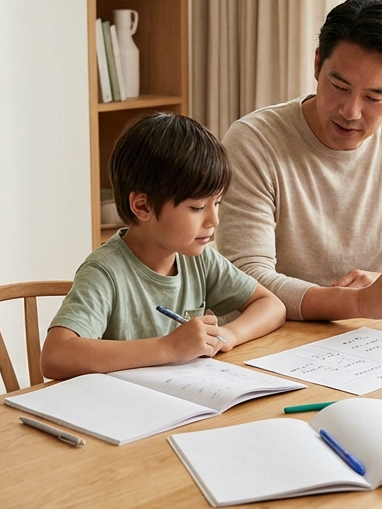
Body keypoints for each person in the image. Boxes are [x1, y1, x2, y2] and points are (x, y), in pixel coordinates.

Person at [217, 0, 382, 321]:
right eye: (339, 86)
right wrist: (356, 303)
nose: (350, 112)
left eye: (373, 97)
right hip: (266, 339)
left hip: (357, 338)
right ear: (316, 65)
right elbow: (245, 281)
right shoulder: (254, 142)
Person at [42, 112, 286, 380]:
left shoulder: (198, 259)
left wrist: (228, 335)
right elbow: (56, 356)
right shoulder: (105, 272)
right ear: (142, 206)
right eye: (197, 207)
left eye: (217, 203)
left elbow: (271, 305)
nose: (214, 219)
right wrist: (168, 347)